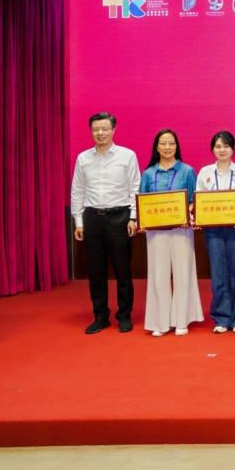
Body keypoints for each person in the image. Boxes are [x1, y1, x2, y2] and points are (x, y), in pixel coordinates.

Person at [71, 112, 141, 334]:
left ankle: (124, 315)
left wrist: (133, 217)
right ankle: (100, 316)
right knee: (96, 272)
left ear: (113, 130)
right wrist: (78, 221)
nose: (100, 133)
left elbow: (135, 187)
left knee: (122, 270)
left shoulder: (127, 156)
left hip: (120, 217)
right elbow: (77, 190)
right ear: (91, 131)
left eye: (104, 129)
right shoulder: (83, 158)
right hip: (92, 218)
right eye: (95, 129)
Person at [139, 128, 204, 337]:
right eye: (163, 143)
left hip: (181, 230)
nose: (167, 147)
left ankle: (182, 320)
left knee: (183, 274)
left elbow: (194, 200)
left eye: (171, 143)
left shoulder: (187, 171)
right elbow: (142, 201)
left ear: (177, 146)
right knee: (158, 276)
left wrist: (187, 213)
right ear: (156, 147)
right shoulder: (148, 174)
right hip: (156, 232)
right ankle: (161, 322)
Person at [196, 131, 235, 333]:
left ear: (234, 148)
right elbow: (200, 200)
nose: (222, 150)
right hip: (213, 230)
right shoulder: (205, 172)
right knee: (218, 273)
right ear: (213, 149)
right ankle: (221, 317)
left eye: (226, 146)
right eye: (218, 146)